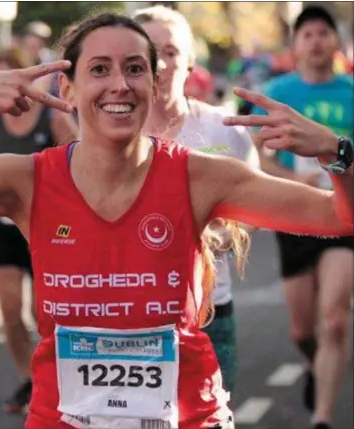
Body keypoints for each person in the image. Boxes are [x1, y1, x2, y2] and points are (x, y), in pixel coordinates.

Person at [0, 13, 352, 429]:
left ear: (155, 85)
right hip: (63, 418)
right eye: (99, 69)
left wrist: (338, 151)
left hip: (187, 418)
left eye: (135, 69)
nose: (119, 84)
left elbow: (337, 216)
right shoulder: (29, 180)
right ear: (67, 89)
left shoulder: (200, 176)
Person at [133, 4, 257, 395]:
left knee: (211, 411)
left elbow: (254, 208)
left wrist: (212, 237)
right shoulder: (108, 137)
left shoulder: (226, 129)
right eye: (150, 52)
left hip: (208, 308)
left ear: (189, 65)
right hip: (131, 310)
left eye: (171, 52)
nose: (161, 63)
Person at [251, 7, 353, 429]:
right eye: (307, 33)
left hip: (345, 214)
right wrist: (293, 175)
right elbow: (256, 156)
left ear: (336, 43)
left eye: (323, 33)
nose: (315, 40)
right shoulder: (278, 92)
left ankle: (323, 418)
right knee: (302, 332)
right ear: (295, 46)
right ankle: (317, 366)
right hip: (295, 212)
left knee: (333, 320)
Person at [0, 47, 78, 414]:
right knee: (8, 310)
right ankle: (28, 378)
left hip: (43, 228)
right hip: (2, 227)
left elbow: (80, 161)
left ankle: (55, 379)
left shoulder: (50, 117)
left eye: (11, 76)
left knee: (42, 312)